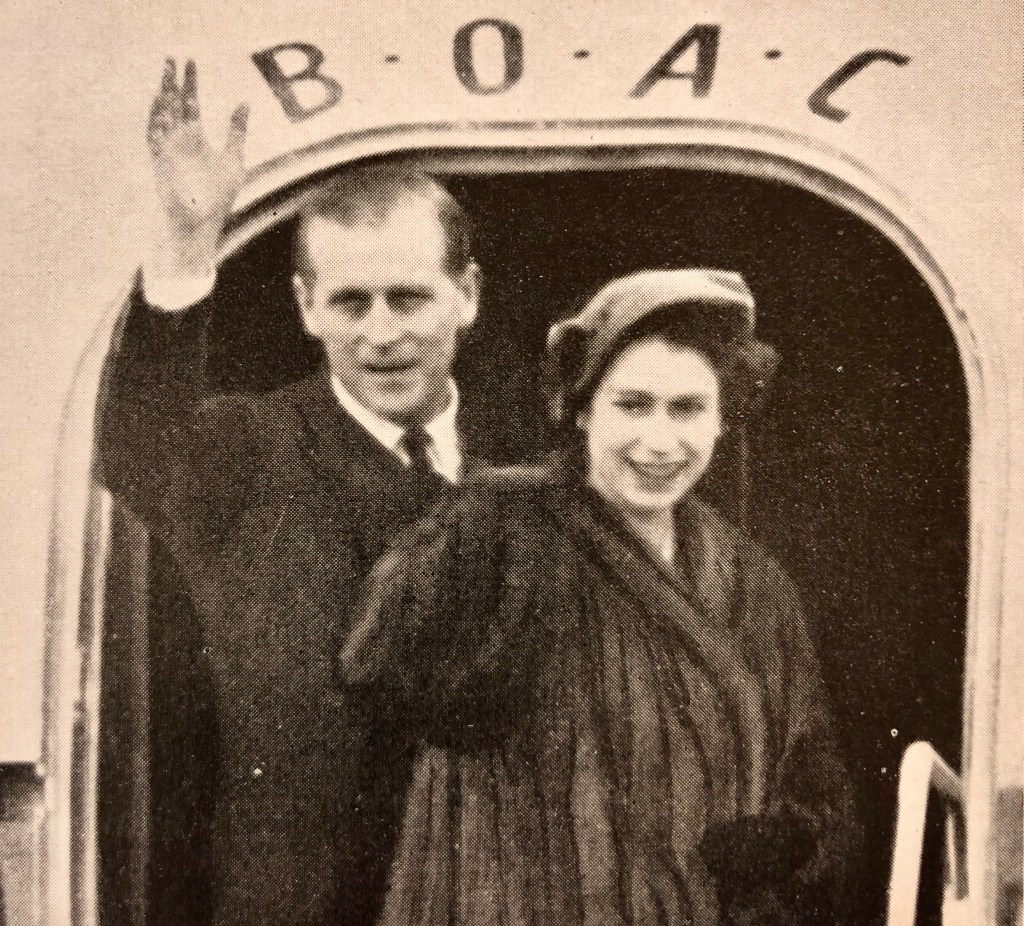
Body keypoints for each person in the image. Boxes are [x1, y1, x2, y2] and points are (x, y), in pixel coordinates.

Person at [340, 269, 863, 926]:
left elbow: (816, 784)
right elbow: (382, 672)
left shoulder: (754, 583)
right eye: (633, 405)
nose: (660, 441)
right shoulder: (506, 528)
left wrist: (788, 844)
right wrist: (476, 543)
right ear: (583, 408)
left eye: (687, 408)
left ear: (722, 419)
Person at [98, 60, 480, 926]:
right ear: (307, 307)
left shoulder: (528, 465)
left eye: (409, 299)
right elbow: (139, 447)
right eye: (350, 303)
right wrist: (188, 247)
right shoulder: (248, 450)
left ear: (467, 295)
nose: (381, 333)